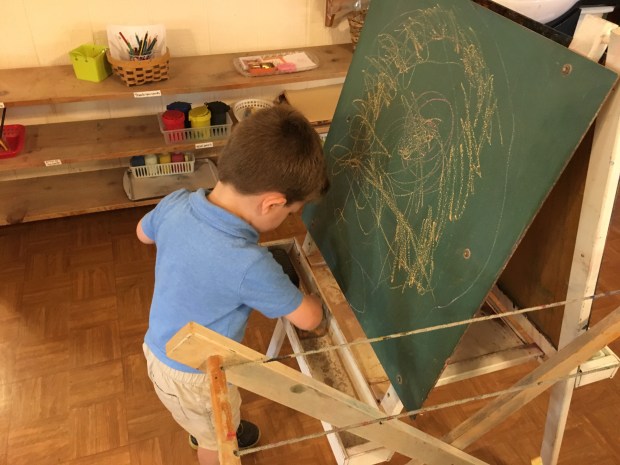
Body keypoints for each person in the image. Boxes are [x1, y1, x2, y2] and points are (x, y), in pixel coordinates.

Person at [136, 104, 329, 465]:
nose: (289, 217)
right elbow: (309, 319)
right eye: (290, 212)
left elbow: (142, 233)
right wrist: (316, 301)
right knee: (216, 441)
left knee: (201, 418)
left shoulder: (176, 203)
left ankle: (201, 426)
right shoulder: (249, 264)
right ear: (272, 203)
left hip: (158, 346)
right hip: (197, 377)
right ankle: (210, 442)